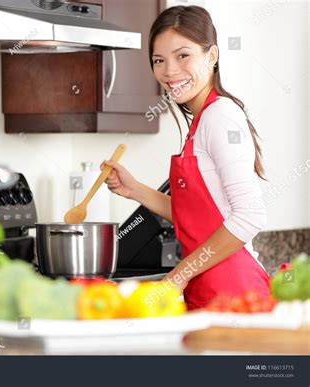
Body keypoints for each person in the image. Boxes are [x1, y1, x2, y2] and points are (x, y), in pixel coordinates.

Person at [102, 5, 270, 310]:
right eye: (159, 60)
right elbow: (201, 218)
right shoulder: (202, 120)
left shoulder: (220, 117)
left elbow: (251, 215)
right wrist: (135, 189)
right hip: (212, 291)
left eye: (183, 56)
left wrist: (177, 276)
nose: (169, 71)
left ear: (212, 56)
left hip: (235, 294)